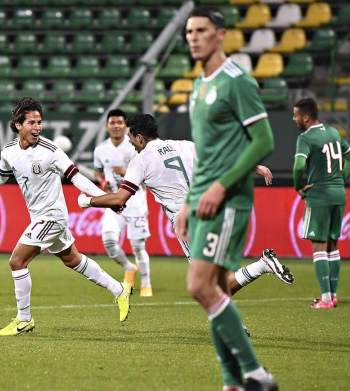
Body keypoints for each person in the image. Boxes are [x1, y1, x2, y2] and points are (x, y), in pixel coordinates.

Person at [0, 97, 133, 336]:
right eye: (31, 122)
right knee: (72, 260)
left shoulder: (51, 150)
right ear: (18, 125)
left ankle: (24, 319)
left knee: (17, 261)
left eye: (39, 122)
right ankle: (119, 289)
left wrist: (107, 199)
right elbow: (1, 175)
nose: (37, 127)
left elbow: (78, 178)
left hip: (52, 217)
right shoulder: (9, 151)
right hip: (39, 217)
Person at [78, 113, 294, 298]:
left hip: (188, 221)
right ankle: (233, 322)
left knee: (207, 286)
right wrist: (255, 166)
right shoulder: (186, 146)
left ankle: (262, 266)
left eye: (131, 138)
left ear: (140, 137)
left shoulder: (141, 160)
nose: (131, 143)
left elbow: (119, 199)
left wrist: (87, 201)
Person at [177, 7, 279, 391]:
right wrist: (189, 199)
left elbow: (265, 141)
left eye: (201, 30)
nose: (193, 37)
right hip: (203, 200)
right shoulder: (198, 87)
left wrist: (221, 186)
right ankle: (231, 382)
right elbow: (205, 154)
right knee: (216, 291)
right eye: (189, 31)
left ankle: (256, 373)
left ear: (220, 34)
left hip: (229, 200)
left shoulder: (237, 81)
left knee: (199, 287)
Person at [292, 97, 350, 309]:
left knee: (318, 246)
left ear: (305, 117)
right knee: (333, 244)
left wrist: (298, 186)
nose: (294, 119)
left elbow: (298, 166)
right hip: (339, 194)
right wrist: (340, 179)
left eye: (295, 115)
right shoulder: (333, 132)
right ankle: (333, 295)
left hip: (319, 196)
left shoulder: (306, 138)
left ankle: (326, 299)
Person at [93, 109, 153, 297]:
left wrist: (126, 173)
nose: (117, 125)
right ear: (107, 126)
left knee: (138, 246)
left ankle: (146, 284)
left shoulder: (135, 146)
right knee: (109, 243)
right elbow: (97, 171)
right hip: (113, 202)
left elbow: (146, 175)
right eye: (113, 122)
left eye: (120, 122)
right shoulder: (100, 149)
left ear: (126, 126)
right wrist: (103, 182)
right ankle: (129, 268)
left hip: (135, 202)